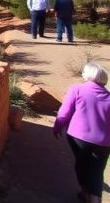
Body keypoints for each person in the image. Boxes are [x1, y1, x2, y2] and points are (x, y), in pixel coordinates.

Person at [55, 62, 110, 203]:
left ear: (89, 75)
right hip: (104, 142)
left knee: (81, 164)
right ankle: (94, 198)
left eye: (84, 72)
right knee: (97, 170)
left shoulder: (77, 89)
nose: (83, 74)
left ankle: (85, 192)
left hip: (79, 137)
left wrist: (58, 126)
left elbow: (65, 112)